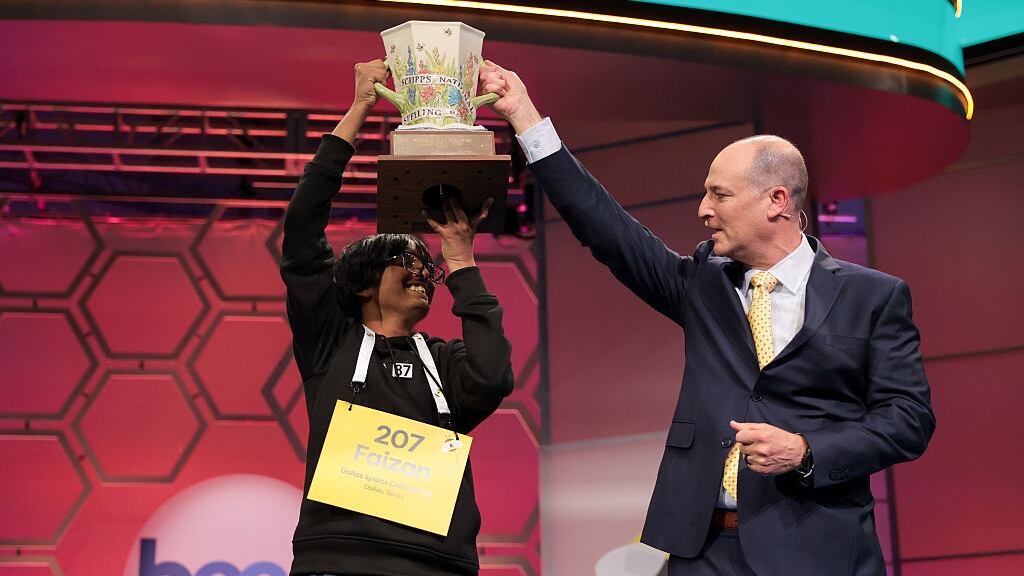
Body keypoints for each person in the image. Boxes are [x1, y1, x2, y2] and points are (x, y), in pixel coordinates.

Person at [479, 61, 934, 576]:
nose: (703, 210)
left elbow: (908, 420)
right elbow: (607, 230)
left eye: (719, 195)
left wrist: (808, 450)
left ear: (776, 202)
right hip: (704, 551)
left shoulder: (873, 296)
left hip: (818, 548)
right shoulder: (703, 283)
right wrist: (527, 120)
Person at [280, 60, 514, 576]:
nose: (420, 273)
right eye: (403, 261)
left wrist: (461, 262)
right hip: (337, 562)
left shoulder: (445, 360)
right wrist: (360, 108)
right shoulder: (330, 343)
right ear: (363, 283)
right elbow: (302, 230)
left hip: (438, 565)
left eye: (425, 267)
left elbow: (495, 376)